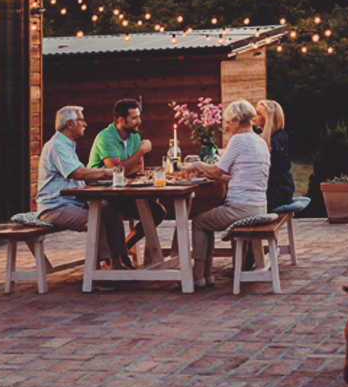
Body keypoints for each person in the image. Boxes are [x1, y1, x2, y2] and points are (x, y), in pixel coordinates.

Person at [185, 99, 270, 288]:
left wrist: (197, 165)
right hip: (260, 206)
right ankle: (206, 276)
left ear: (238, 121)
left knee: (199, 222)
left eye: (229, 121)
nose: (227, 125)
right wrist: (214, 174)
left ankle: (199, 275)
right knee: (206, 221)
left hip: (242, 208)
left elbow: (216, 171)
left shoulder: (238, 140)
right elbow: (238, 176)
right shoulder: (260, 142)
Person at [36, 106, 127, 268]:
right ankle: (96, 272)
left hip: (72, 203)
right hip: (55, 207)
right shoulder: (57, 145)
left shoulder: (68, 145)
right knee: (98, 219)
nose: (85, 124)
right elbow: (77, 173)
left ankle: (117, 263)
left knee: (111, 212)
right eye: (81, 120)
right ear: (69, 124)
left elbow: (79, 178)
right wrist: (107, 173)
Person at [88, 98, 166, 263]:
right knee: (144, 212)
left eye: (138, 116)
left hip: (123, 190)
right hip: (102, 192)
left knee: (157, 212)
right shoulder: (105, 137)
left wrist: (129, 165)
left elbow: (138, 169)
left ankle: (122, 248)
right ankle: (117, 255)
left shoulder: (133, 135)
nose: (139, 121)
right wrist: (141, 152)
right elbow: (116, 171)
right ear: (120, 120)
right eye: (134, 118)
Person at [254, 99, 295, 211]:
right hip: (263, 187)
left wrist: (269, 121)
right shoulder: (258, 135)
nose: (254, 115)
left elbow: (264, 150)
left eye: (258, 113)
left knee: (248, 204)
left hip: (279, 190)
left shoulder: (281, 136)